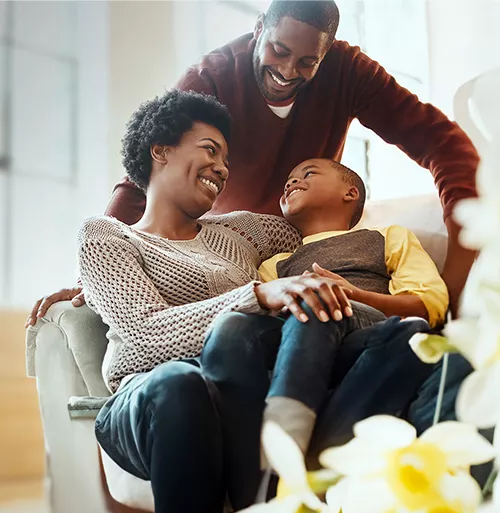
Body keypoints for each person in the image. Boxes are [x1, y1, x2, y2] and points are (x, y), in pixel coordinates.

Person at [80, 89, 364, 513]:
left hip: (235, 396)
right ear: (159, 150)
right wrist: (256, 294)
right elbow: (144, 334)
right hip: (147, 403)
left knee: (243, 353)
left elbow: (323, 220)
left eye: (227, 160)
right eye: (209, 150)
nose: (222, 168)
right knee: (181, 382)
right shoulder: (107, 236)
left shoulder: (239, 233)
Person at [26, 0, 478, 325]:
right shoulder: (211, 78)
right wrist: (97, 273)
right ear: (260, 27)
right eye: (279, 51)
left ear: (328, 53)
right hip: (236, 254)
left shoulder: (350, 72)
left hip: (304, 239)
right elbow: (144, 177)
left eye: (307, 62)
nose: (287, 71)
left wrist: (459, 271)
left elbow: (445, 145)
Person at [199, 158, 448, 460]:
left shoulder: (386, 237)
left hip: (371, 337)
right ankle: (292, 446)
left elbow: (429, 304)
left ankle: (284, 454)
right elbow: (265, 327)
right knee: (313, 298)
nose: (291, 182)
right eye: (288, 180)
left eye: (308, 174)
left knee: (410, 332)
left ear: (350, 193)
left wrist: (354, 295)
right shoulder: (274, 265)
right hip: (305, 349)